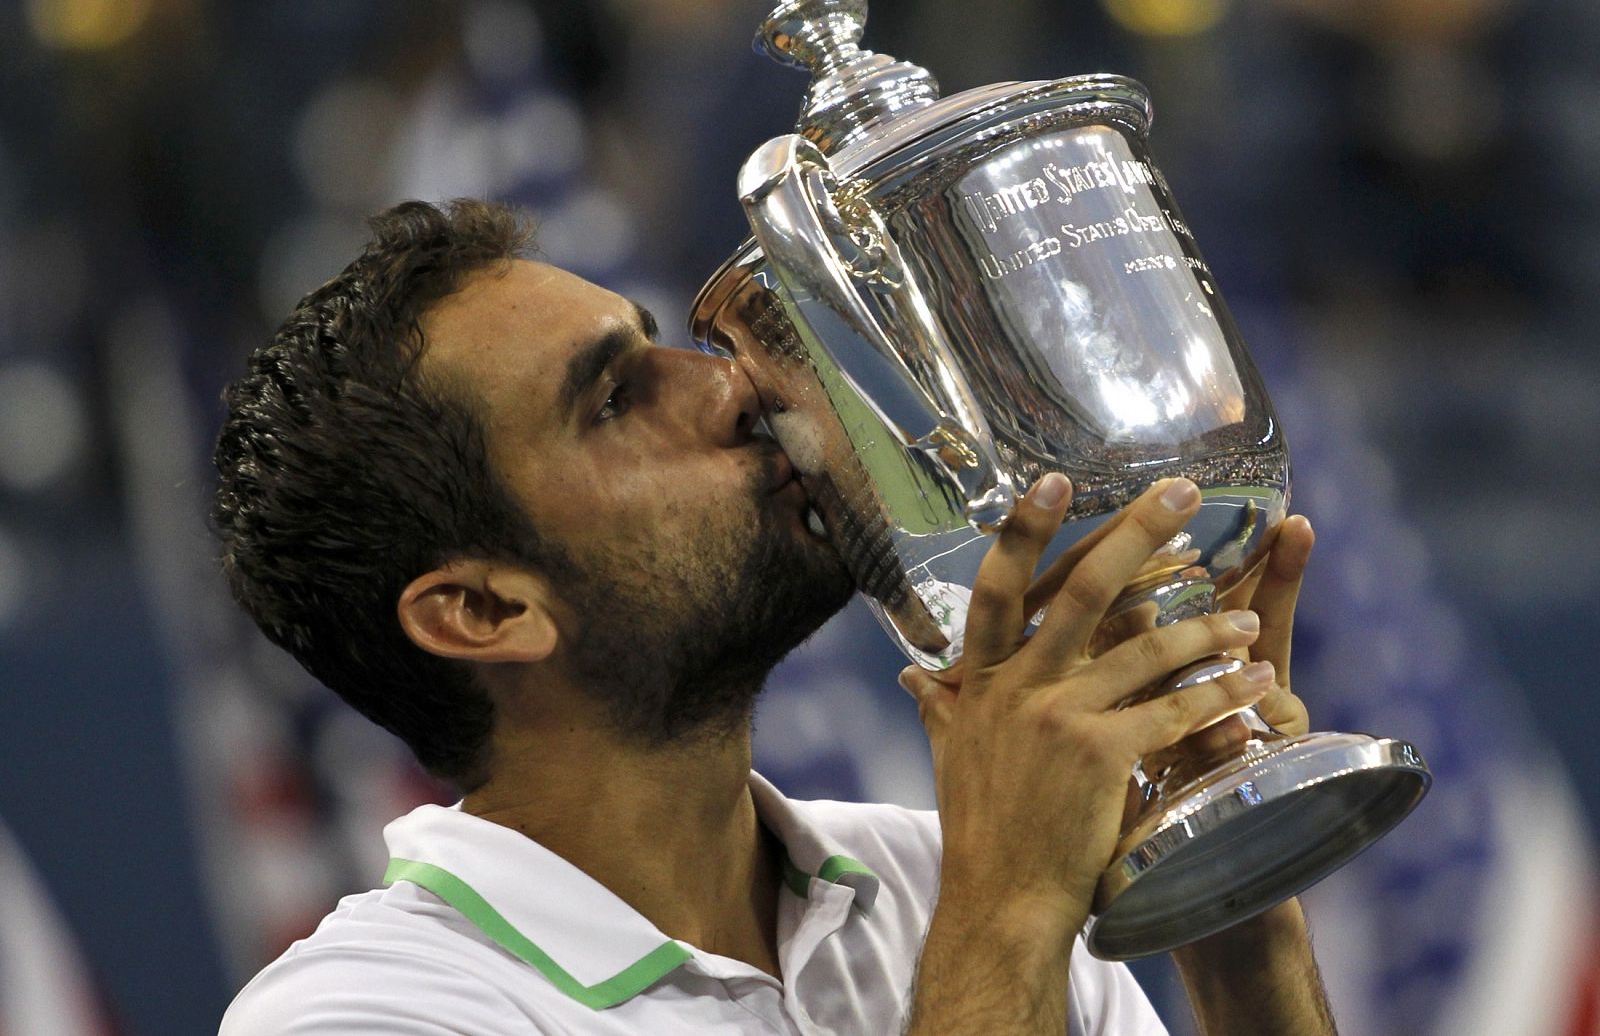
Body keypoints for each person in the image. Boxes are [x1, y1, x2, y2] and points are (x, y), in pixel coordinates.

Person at [212, 198, 1335, 1035]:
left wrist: (1227, 888)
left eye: (665, 345)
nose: (728, 383)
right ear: (484, 609)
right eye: (614, 399)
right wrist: (1007, 921)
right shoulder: (370, 1011)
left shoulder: (938, 879)